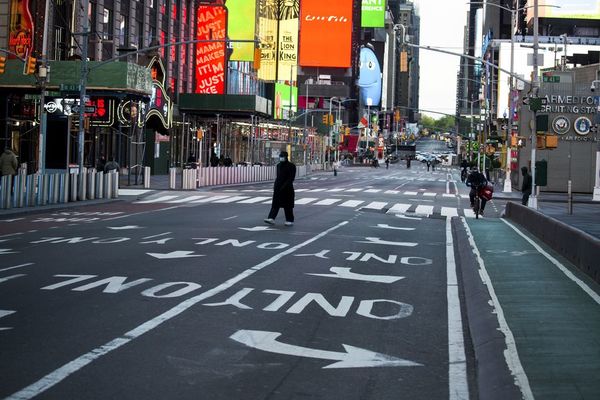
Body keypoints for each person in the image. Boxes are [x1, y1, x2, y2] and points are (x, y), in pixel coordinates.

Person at [264, 151, 296, 226]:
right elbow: (278, 177)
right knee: (275, 204)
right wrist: (276, 186)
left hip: (287, 188)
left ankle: (289, 220)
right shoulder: (278, 165)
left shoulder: (291, 166)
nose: (281, 158)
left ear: (286, 157)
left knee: (288, 205)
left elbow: (291, 178)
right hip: (278, 187)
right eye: (280, 156)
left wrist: (285, 186)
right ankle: (271, 218)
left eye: (282, 156)